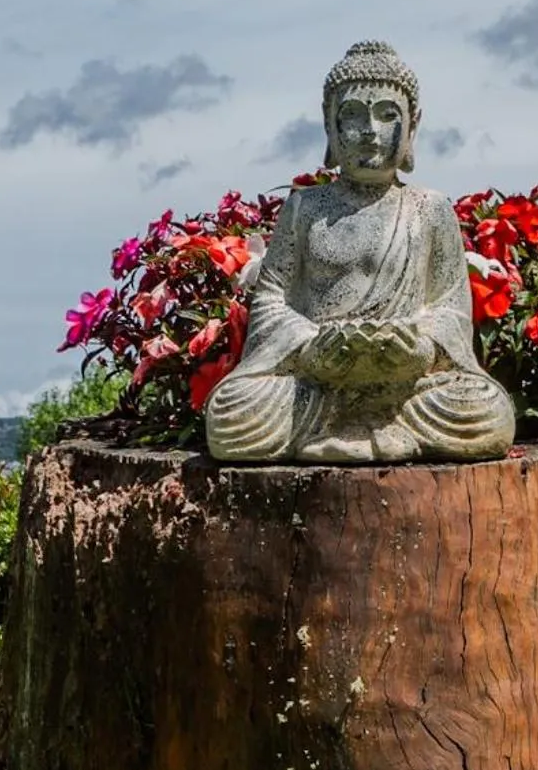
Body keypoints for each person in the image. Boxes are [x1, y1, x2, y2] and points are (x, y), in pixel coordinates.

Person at [206, 40, 516, 464]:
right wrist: (309, 347)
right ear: (330, 128)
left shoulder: (430, 210)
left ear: (412, 126)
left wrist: (422, 349)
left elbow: (450, 309)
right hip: (315, 384)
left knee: (486, 408)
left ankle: (367, 424)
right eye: (353, 115)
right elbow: (271, 298)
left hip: (405, 387)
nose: (370, 131)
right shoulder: (305, 208)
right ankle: (362, 427)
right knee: (230, 415)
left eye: (388, 115)